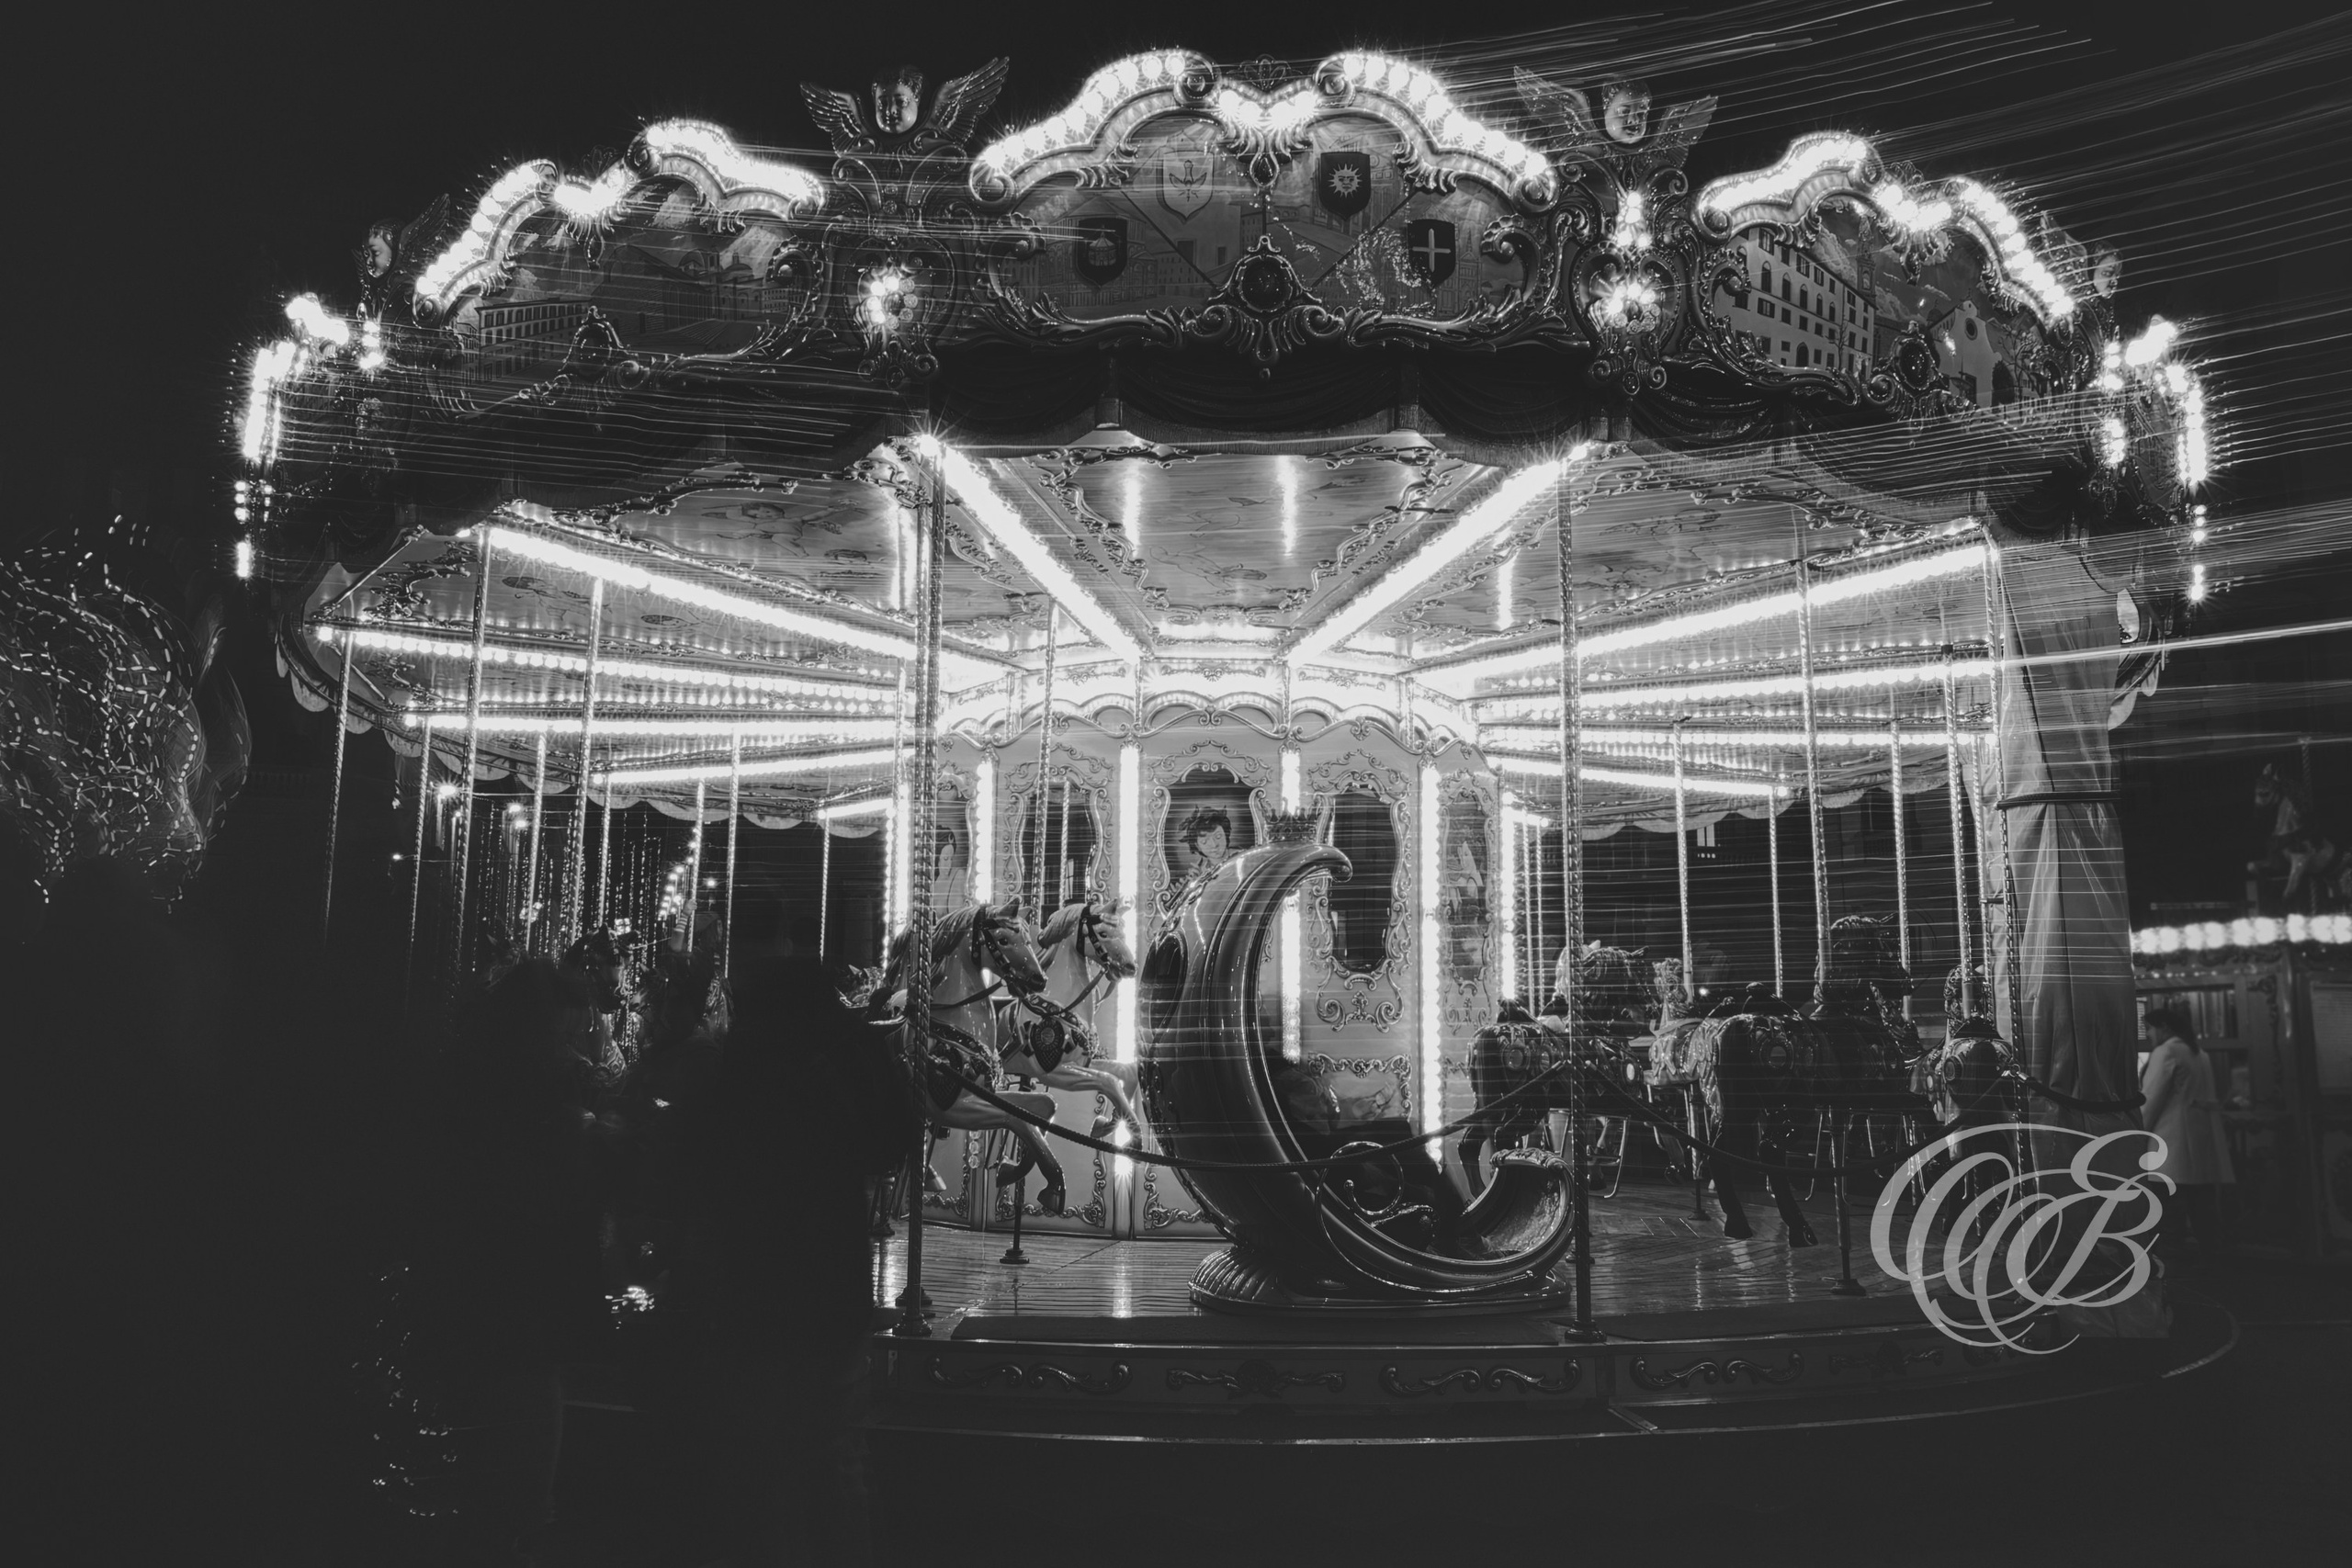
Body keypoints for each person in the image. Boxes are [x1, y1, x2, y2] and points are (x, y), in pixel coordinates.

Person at [677, 900, 916, 1566]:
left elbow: (701, 1156)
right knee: (830, 1451)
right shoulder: (843, 1038)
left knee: (755, 1454)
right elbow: (892, 1137)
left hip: (744, 1272)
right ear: (789, 938)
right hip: (825, 1273)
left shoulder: (734, 1047)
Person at [415, 959, 628, 1568]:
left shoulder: (480, 1080)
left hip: (486, 1292)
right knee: (517, 1424)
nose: (570, 1049)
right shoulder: (524, 1102)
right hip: (509, 1295)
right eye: (562, 1036)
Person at [2140, 1002, 2233, 1266]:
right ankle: (2211, 1254)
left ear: (2164, 1028)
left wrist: (2137, 1132)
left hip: (2171, 1140)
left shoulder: (2166, 1051)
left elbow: (2151, 1097)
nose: (2147, 1034)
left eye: (2149, 1028)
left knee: (2168, 1204)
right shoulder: (2198, 1052)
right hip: (2199, 1140)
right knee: (2201, 1202)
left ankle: (2173, 1261)